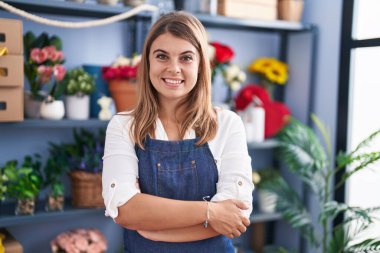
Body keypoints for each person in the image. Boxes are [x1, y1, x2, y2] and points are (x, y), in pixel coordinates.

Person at [102, 11, 254, 253]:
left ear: (201, 65)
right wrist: (210, 213)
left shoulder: (227, 124)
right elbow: (124, 210)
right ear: (148, 62)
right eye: (162, 56)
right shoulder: (123, 126)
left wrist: (150, 226)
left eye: (186, 58)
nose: (173, 68)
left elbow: (234, 216)